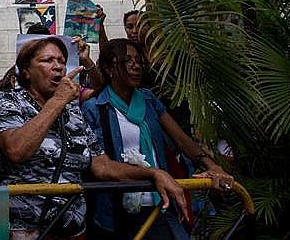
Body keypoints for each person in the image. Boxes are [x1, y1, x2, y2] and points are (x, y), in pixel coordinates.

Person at [0, 37, 186, 239]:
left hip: (72, 228)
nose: (58, 67)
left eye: (62, 61)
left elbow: (102, 166)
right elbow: (16, 150)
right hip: (23, 230)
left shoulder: (72, 111)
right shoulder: (9, 100)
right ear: (26, 71)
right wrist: (57, 101)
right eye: (48, 61)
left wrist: (152, 173)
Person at [82, 39, 234, 238]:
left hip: (160, 202)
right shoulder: (94, 108)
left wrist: (211, 165)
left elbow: (181, 139)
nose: (135, 66)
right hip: (117, 207)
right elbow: (100, 165)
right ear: (110, 68)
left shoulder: (148, 99)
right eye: (127, 61)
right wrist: (151, 173)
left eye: (138, 60)